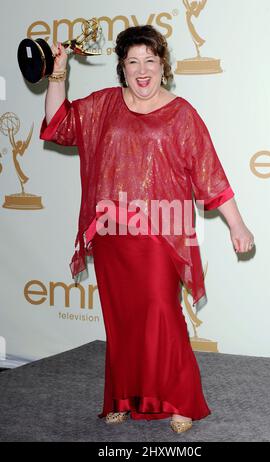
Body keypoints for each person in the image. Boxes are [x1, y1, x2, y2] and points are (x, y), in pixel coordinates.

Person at [40, 25, 254, 434]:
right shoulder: (103, 104)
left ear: (162, 66)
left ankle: (179, 400)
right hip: (110, 237)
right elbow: (59, 124)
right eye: (133, 62)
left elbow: (210, 176)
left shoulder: (181, 113)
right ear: (122, 67)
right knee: (121, 321)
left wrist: (237, 224)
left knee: (162, 314)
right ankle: (122, 397)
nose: (142, 71)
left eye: (150, 61)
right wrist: (58, 74)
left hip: (159, 234)